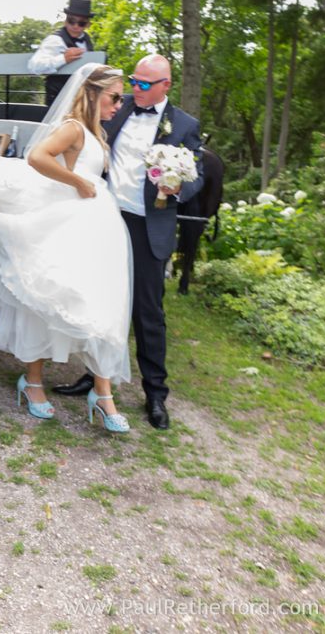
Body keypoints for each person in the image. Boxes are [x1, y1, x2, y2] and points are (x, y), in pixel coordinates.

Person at [0, 64, 132, 434]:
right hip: (66, 224)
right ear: (93, 94)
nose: (119, 104)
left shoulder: (98, 134)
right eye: (114, 97)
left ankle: (103, 394)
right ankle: (32, 382)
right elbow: (38, 157)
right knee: (48, 300)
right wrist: (77, 180)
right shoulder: (73, 128)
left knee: (100, 306)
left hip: (96, 230)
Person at [53, 55, 204, 430]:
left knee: (147, 312)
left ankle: (155, 394)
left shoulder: (184, 125)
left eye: (143, 84)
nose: (135, 90)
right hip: (106, 217)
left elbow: (196, 174)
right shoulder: (117, 110)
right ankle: (95, 378)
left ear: (165, 85)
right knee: (100, 302)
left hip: (148, 226)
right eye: (133, 82)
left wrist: (179, 186)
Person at [28, 0, 96, 106]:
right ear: (65, 21)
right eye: (71, 21)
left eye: (81, 23)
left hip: (81, 101)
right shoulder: (55, 40)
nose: (75, 26)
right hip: (58, 101)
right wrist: (63, 59)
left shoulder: (87, 39)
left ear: (87, 25)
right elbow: (34, 66)